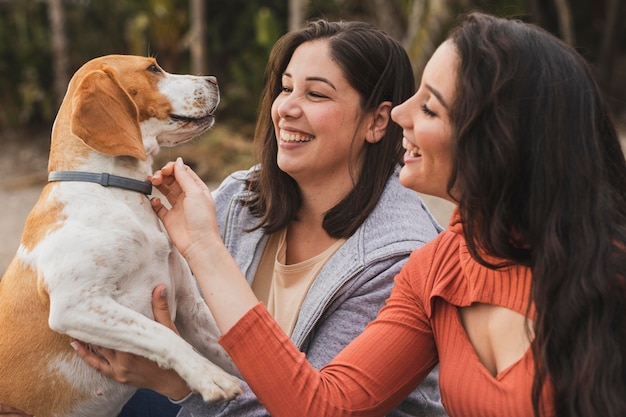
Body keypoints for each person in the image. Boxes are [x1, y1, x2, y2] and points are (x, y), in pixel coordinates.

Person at [75, 11, 626, 417]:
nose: (403, 113)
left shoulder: (402, 253)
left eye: (429, 106)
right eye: (286, 88)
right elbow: (323, 407)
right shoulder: (436, 268)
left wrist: (180, 375)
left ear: (500, 139)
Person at [0, 20, 447, 417]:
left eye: (315, 94)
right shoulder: (239, 197)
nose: (286, 107)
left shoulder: (396, 259)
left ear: (377, 122)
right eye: (286, 88)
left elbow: (311, 407)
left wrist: (176, 384)